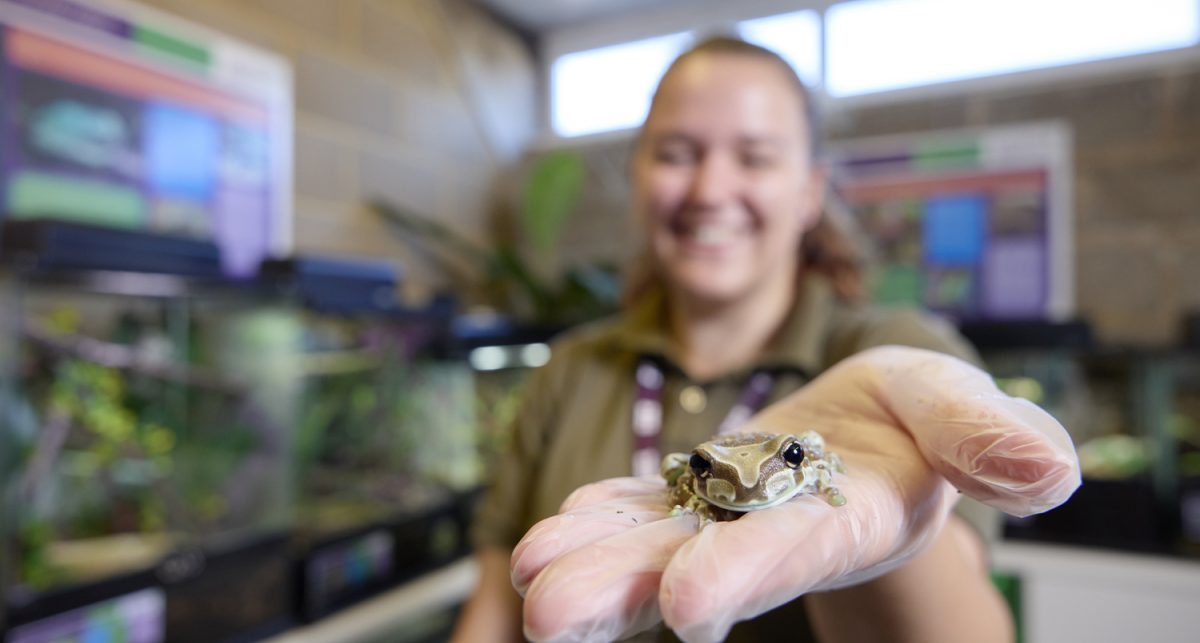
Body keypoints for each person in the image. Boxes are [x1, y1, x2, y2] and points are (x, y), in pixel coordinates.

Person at [451, 36, 1079, 643]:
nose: (710, 190)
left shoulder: (893, 352)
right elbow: (498, 606)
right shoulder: (568, 369)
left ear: (809, 190)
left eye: (754, 156)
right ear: (639, 176)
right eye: (676, 153)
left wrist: (880, 538)